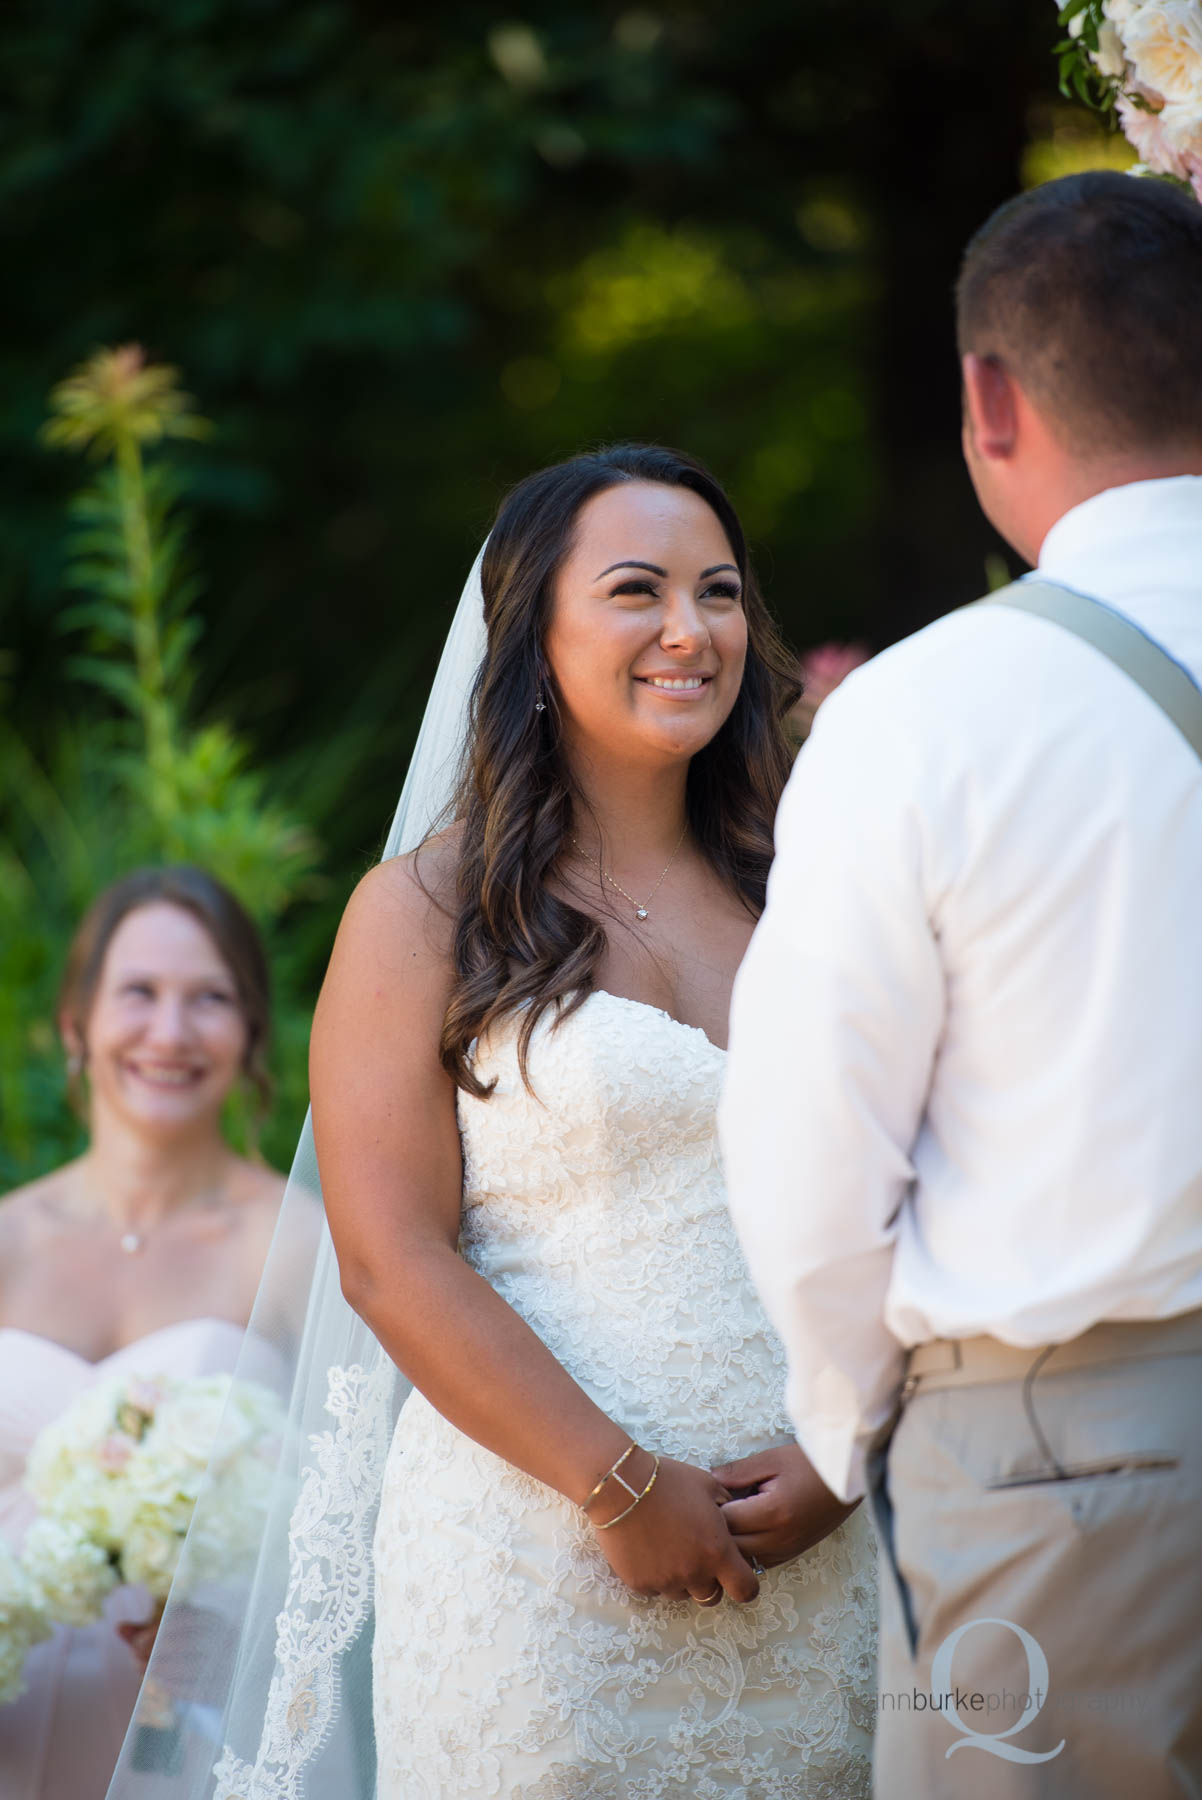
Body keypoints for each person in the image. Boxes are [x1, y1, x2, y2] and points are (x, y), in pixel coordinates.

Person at [720, 169, 1202, 1799]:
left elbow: (809, 1148)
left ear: (989, 398)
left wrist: (856, 1424)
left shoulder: (929, 713)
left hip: (1065, 1463)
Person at [301, 444, 877, 1796]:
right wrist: (615, 1486)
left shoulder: (820, 898)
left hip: (822, 1561)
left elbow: (920, 1199)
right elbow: (389, 1256)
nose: (690, 631)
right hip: (536, 1562)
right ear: (533, 636)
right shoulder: (422, 912)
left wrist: (848, 1451)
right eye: (637, 591)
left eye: (719, 592)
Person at [0, 867, 288, 1800]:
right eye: (139, 994)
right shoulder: (6, 1240)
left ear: (250, 1035)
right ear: (76, 1025)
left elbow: (364, 1520)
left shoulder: (301, 1251)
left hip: (194, 1739)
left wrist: (233, 1638)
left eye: (209, 999)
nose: (169, 1033)